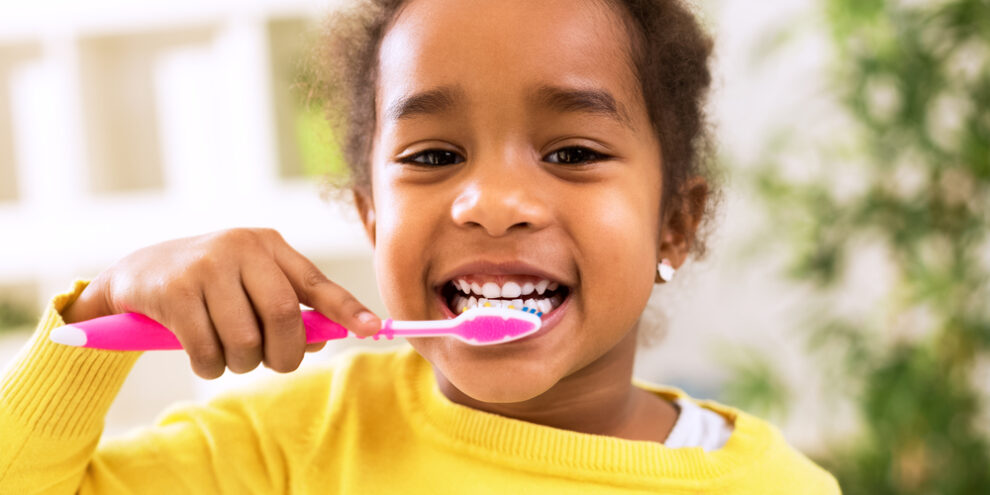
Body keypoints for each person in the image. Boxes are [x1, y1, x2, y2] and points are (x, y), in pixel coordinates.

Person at [0, 0, 840, 492]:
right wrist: (102, 311)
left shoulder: (777, 486)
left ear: (675, 224)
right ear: (370, 217)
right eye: (433, 157)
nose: (494, 203)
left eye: (572, 153)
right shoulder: (290, 450)